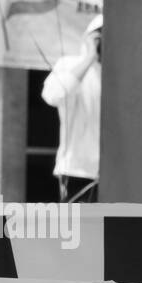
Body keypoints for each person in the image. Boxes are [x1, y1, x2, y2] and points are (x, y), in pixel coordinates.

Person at [41, 12, 102, 202]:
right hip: (78, 170)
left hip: (116, 173)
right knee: (81, 228)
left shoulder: (122, 74)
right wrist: (90, 56)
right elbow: (53, 95)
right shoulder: (70, 65)